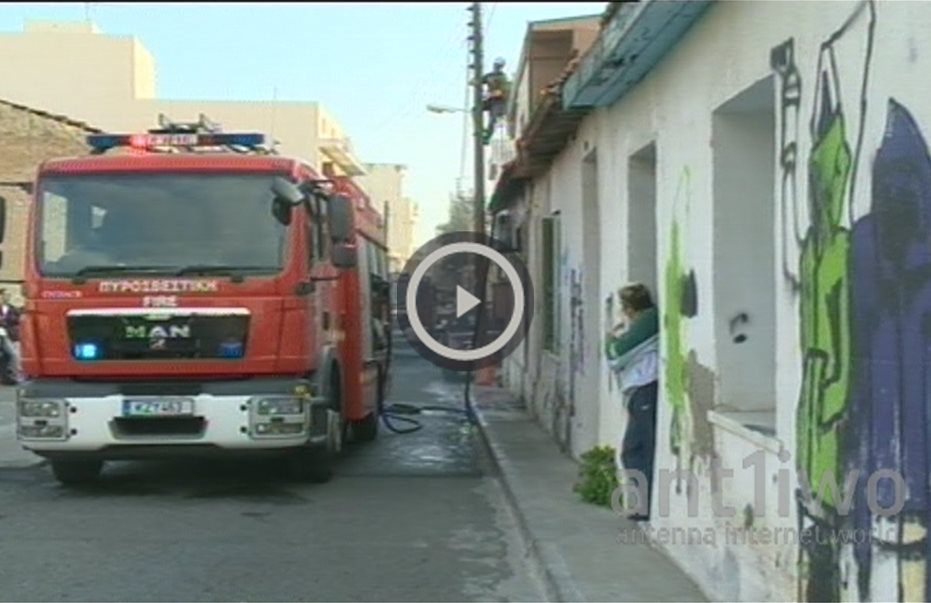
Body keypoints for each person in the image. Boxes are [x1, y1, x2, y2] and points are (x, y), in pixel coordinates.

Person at [605, 283, 659, 521]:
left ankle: (643, 506)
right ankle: (641, 504)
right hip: (639, 391)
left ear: (630, 307)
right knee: (634, 449)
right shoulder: (642, 324)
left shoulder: (647, 323)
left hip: (645, 388)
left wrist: (610, 341)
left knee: (638, 448)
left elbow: (617, 356)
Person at [482, 58, 510, 144]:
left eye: (498, 66)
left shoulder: (503, 77)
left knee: (493, 120)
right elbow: (475, 81)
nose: (496, 67)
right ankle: (480, 130)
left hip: (500, 102)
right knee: (475, 109)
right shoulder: (489, 76)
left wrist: (489, 94)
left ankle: (487, 137)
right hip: (490, 101)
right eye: (495, 65)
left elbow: (502, 92)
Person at [0, 289, 22, 384]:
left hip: (7, 334)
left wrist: (5, 320)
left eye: (9, 295)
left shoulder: (13, 308)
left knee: (11, 355)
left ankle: (10, 377)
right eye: (5, 295)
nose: (8, 297)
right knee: (10, 355)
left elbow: (18, 320)